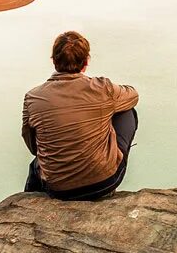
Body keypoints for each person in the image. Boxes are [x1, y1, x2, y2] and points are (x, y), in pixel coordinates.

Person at [22, 31, 138, 200]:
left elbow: (34, 147)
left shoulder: (32, 97)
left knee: (36, 165)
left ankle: (29, 202)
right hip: (104, 183)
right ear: (86, 61)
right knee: (127, 111)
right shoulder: (103, 88)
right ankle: (105, 163)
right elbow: (133, 95)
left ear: (54, 61)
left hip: (57, 188)